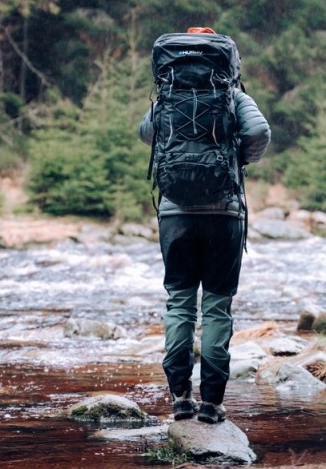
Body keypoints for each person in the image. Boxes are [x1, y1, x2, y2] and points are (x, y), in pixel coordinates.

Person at [138, 27, 271, 424]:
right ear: (226, 62)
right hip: (223, 214)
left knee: (179, 302)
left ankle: (181, 397)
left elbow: (146, 133)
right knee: (216, 306)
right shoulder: (233, 96)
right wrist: (237, 160)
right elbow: (259, 132)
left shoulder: (168, 96)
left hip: (175, 213)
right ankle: (211, 404)